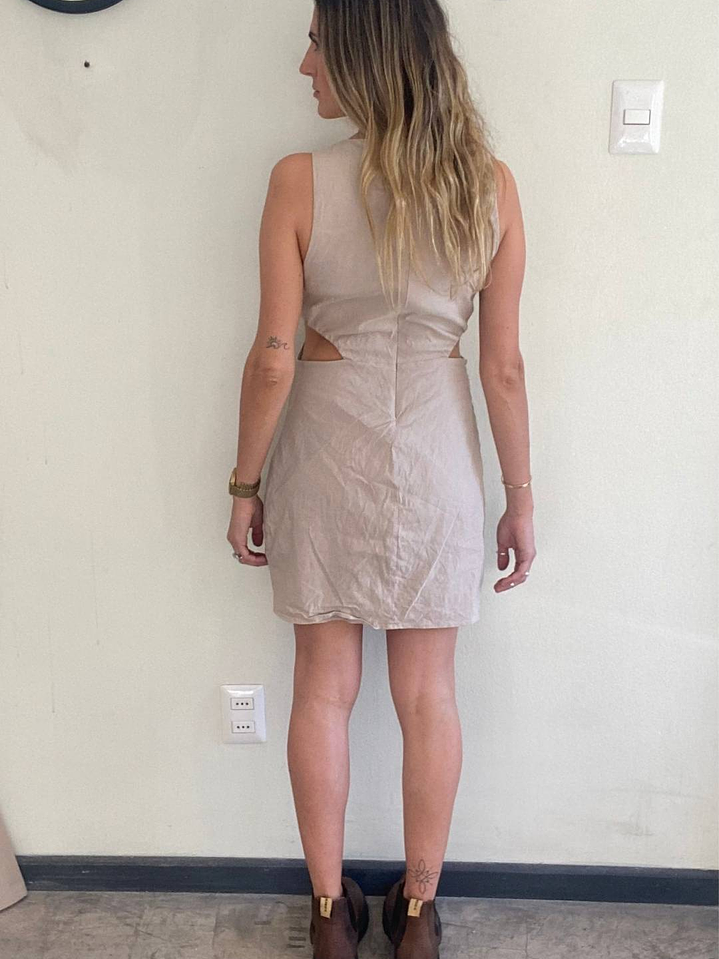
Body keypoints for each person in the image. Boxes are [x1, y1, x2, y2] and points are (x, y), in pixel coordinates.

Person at [226, 1, 535, 956]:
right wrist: (520, 497)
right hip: (437, 453)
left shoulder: (298, 181)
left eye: (317, 43)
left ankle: (329, 914)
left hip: (326, 450)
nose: (304, 65)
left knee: (322, 688)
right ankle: (416, 913)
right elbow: (502, 368)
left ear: (363, 55)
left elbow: (273, 357)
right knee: (428, 693)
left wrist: (243, 485)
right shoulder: (486, 186)